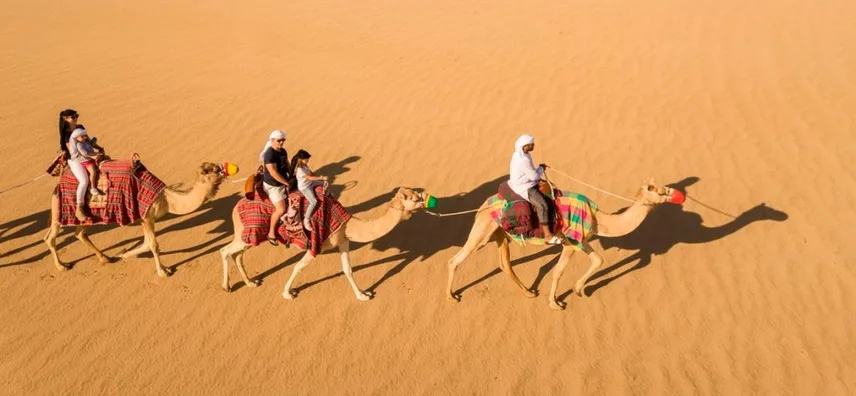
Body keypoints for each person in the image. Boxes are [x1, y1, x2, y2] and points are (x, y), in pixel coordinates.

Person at [508, 134, 563, 244]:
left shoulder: (523, 154)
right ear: (525, 146)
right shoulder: (523, 159)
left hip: (527, 181)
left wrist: (538, 172)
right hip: (523, 186)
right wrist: (541, 169)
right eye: (531, 144)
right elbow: (534, 176)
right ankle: (547, 236)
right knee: (542, 205)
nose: (533, 145)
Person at [57, 109, 92, 221]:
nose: (76, 118)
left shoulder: (80, 127)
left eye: (76, 115)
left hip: (87, 154)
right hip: (75, 159)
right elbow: (73, 150)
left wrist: (98, 150)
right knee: (84, 181)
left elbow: (88, 141)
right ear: (65, 119)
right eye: (73, 117)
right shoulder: (67, 134)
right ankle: (79, 207)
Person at [260, 130, 291, 245]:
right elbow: (273, 173)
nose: (282, 142)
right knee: (281, 209)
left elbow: (287, 165)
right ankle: (271, 233)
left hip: (283, 181)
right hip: (273, 186)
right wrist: (287, 183)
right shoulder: (270, 154)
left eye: (283, 140)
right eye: (279, 140)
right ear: (272, 140)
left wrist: (293, 175)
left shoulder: (282, 151)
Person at [290, 149, 328, 232]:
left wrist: (320, 178)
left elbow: (311, 173)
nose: (308, 160)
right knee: (313, 202)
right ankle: (306, 220)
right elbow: (309, 177)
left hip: (310, 183)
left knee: (322, 184)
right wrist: (321, 178)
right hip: (305, 187)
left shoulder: (305, 166)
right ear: (302, 159)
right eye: (306, 159)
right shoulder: (300, 170)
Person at [69, 127, 105, 197]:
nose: (84, 137)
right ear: (76, 138)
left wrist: (94, 139)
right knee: (93, 171)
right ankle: (93, 187)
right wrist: (95, 155)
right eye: (82, 136)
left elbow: (92, 144)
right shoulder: (79, 145)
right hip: (87, 161)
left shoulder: (86, 142)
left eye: (85, 136)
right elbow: (85, 153)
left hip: (92, 158)